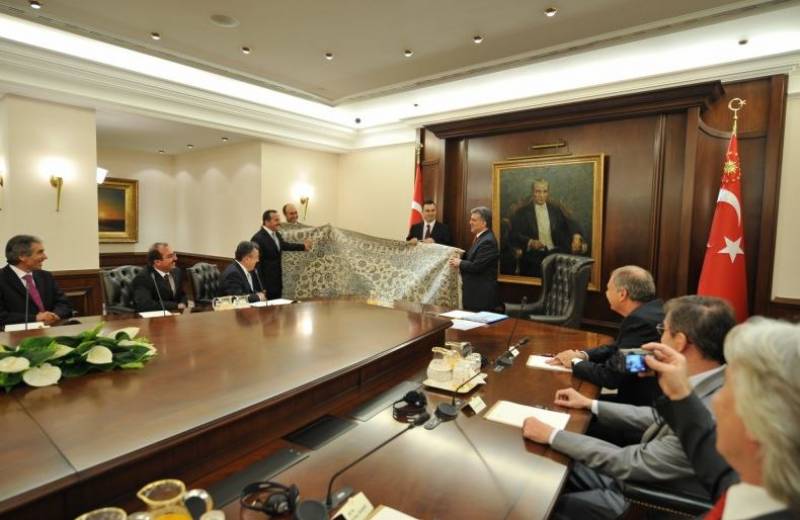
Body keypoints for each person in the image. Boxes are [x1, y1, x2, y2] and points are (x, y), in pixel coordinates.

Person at [521, 295, 736, 519]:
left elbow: (630, 462)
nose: (659, 337)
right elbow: (656, 417)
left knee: (542, 505)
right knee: (552, 465)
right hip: (639, 478)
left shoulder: (713, 411)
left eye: (663, 330)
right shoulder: (718, 382)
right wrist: (590, 403)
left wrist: (553, 435)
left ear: (680, 342)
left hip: (643, 500)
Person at [645, 318, 800, 519]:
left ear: (758, 420)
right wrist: (680, 394)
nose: (716, 399)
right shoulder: (761, 482)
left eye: (727, 385)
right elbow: (716, 465)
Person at [548, 265, 664, 407]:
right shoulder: (652, 312)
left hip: (640, 407)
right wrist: (583, 355)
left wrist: (574, 362)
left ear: (622, 294)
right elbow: (619, 350)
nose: (606, 293)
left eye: (608, 288)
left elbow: (612, 376)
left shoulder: (641, 321)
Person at [510, 179, 587, 277]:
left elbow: (571, 223)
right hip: (534, 256)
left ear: (548, 193)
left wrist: (576, 235)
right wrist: (530, 242)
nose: (542, 195)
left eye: (544, 191)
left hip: (556, 253)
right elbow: (514, 235)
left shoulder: (555, 210)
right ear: (532, 192)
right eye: (538, 191)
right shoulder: (522, 212)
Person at [0, 234, 73, 327]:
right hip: (16, 334)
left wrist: (54, 315)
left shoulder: (45, 276)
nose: (45, 257)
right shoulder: (2, 278)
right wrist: (35, 318)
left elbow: (64, 304)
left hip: (52, 330)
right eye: (40, 252)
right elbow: (1, 316)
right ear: (22, 256)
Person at [252, 209, 311, 300]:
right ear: (267, 222)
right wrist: (261, 286)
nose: (279, 222)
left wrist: (303, 247)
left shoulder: (276, 234)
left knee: (278, 306)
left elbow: (284, 245)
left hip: (277, 282)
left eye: (279, 220)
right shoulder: (258, 238)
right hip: (266, 284)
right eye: (276, 220)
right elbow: (256, 265)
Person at [448, 206, 499, 311]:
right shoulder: (481, 238)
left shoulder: (488, 241)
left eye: (474, 220)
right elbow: (472, 258)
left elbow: (477, 266)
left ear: (484, 223)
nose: (470, 222)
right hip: (474, 294)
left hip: (480, 296)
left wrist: (460, 262)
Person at [131, 242, 187, 312]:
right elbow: (145, 305)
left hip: (176, 315)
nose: (175, 258)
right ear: (157, 262)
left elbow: (182, 294)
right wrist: (176, 306)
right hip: (154, 317)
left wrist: (183, 303)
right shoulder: (143, 278)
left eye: (174, 255)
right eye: (170, 256)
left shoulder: (177, 272)